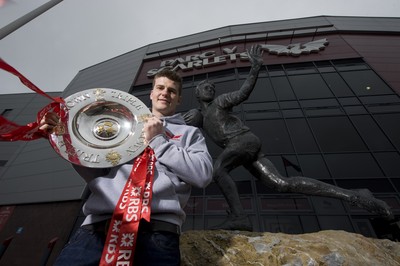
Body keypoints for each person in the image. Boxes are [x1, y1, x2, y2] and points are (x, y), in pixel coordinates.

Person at [184, 44, 393, 231]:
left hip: (243, 141)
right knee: (281, 183)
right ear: (197, 92)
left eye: (212, 86)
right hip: (245, 148)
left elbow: (242, 93)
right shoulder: (200, 115)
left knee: (219, 170)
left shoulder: (220, 101)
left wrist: (255, 68)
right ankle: (355, 195)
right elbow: (187, 125)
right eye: (205, 86)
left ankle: (240, 218)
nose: (210, 88)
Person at [40, 69, 213, 265]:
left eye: (172, 91)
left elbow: (202, 175)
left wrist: (158, 141)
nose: (165, 93)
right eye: (160, 87)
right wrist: (62, 139)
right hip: (98, 229)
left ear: (179, 99)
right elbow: (96, 169)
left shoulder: (190, 133)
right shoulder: (122, 123)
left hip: (157, 231)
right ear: (152, 93)